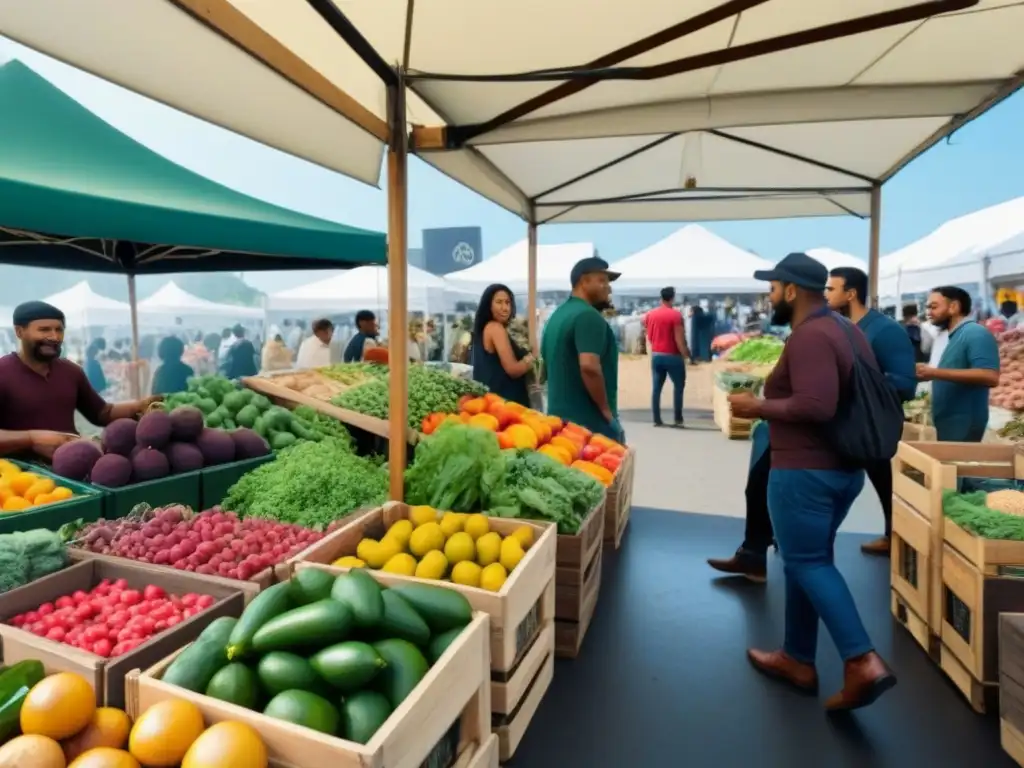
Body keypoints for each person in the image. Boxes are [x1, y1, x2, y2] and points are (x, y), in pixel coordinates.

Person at [727, 253, 896, 711]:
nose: (769, 294)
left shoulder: (811, 336)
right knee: (806, 559)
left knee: (808, 563)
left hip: (805, 472)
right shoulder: (846, 330)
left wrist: (756, 407)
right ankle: (797, 657)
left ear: (792, 290)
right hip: (842, 471)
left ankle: (861, 661)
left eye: (773, 286)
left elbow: (816, 405)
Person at [825, 267, 917, 556]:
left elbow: (905, 382)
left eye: (831, 289)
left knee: (884, 483)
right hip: (842, 422)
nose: (825, 294)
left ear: (850, 293)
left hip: (873, 424)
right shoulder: (837, 326)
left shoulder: (885, 330)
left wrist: (858, 383)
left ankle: (896, 537)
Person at [0, 301, 160, 459]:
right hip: (18, 476)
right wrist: (31, 439)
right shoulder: (3, 372)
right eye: (44, 330)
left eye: (59, 330)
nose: (54, 337)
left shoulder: (71, 371)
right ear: (19, 331)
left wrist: (139, 406)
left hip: (74, 465)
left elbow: (103, 413)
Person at [542, 257, 623, 441]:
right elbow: (589, 366)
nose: (608, 287)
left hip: (558, 421)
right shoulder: (588, 316)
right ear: (584, 281)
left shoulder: (557, 315)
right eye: (602, 280)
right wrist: (606, 411)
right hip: (588, 424)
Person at [917, 286, 1000, 442]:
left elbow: (990, 375)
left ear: (953, 307)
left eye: (934, 307)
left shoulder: (975, 333)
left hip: (964, 423)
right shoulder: (951, 335)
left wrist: (934, 373)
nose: (928, 311)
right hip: (949, 422)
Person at [470, 284, 534, 407]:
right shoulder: (495, 328)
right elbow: (513, 370)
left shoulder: (485, 328)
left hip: (492, 402)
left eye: (507, 302)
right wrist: (532, 358)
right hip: (505, 404)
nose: (505, 308)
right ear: (488, 305)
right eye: (499, 302)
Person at [642, 287, 689, 427]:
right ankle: (678, 418)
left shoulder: (650, 315)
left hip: (656, 355)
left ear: (661, 297)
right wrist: (686, 354)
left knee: (656, 388)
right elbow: (679, 339)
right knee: (679, 386)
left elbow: (649, 336)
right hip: (673, 355)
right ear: (672, 298)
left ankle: (657, 419)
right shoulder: (675, 315)